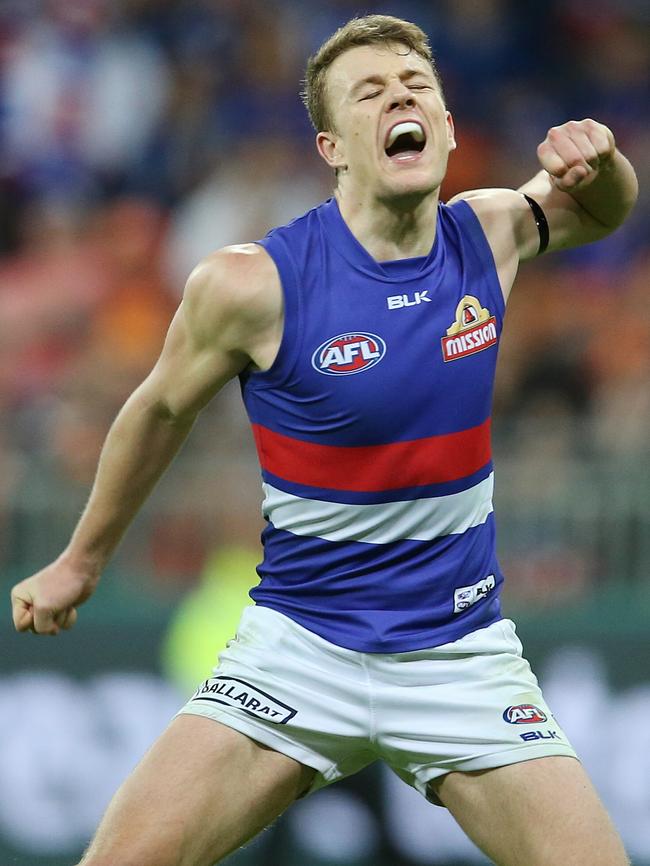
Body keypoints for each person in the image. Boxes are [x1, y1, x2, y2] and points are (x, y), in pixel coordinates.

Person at [11, 14, 637, 866]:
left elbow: (602, 213)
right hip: (301, 649)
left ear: (450, 128)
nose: (400, 100)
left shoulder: (488, 231)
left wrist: (604, 166)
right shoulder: (252, 283)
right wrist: (81, 561)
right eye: (370, 93)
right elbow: (159, 411)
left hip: (460, 652)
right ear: (332, 146)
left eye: (417, 87)